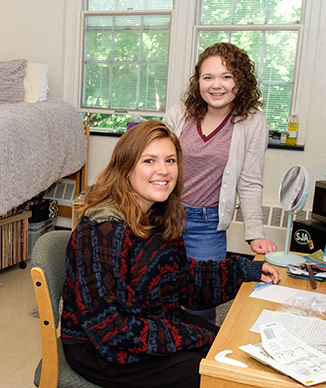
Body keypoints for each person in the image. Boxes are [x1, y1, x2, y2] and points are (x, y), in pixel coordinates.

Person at [61, 120, 279, 388]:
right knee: (218, 374)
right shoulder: (101, 231)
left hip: (148, 324)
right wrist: (194, 337)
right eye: (149, 161)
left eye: (170, 160)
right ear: (126, 167)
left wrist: (246, 270)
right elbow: (112, 329)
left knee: (235, 349)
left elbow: (183, 280)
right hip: (104, 350)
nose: (163, 170)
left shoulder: (156, 214)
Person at [163, 43, 277, 323]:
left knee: (201, 305)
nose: (217, 85)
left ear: (241, 80)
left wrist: (255, 233)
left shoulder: (252, 121)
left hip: (207, 225)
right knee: (157, 294)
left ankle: (197, 363)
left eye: (227, 76)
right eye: (208, 77)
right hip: (164, 217)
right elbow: (153, 161)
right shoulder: (180, 112)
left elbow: (250, 181)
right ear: (198, 80)